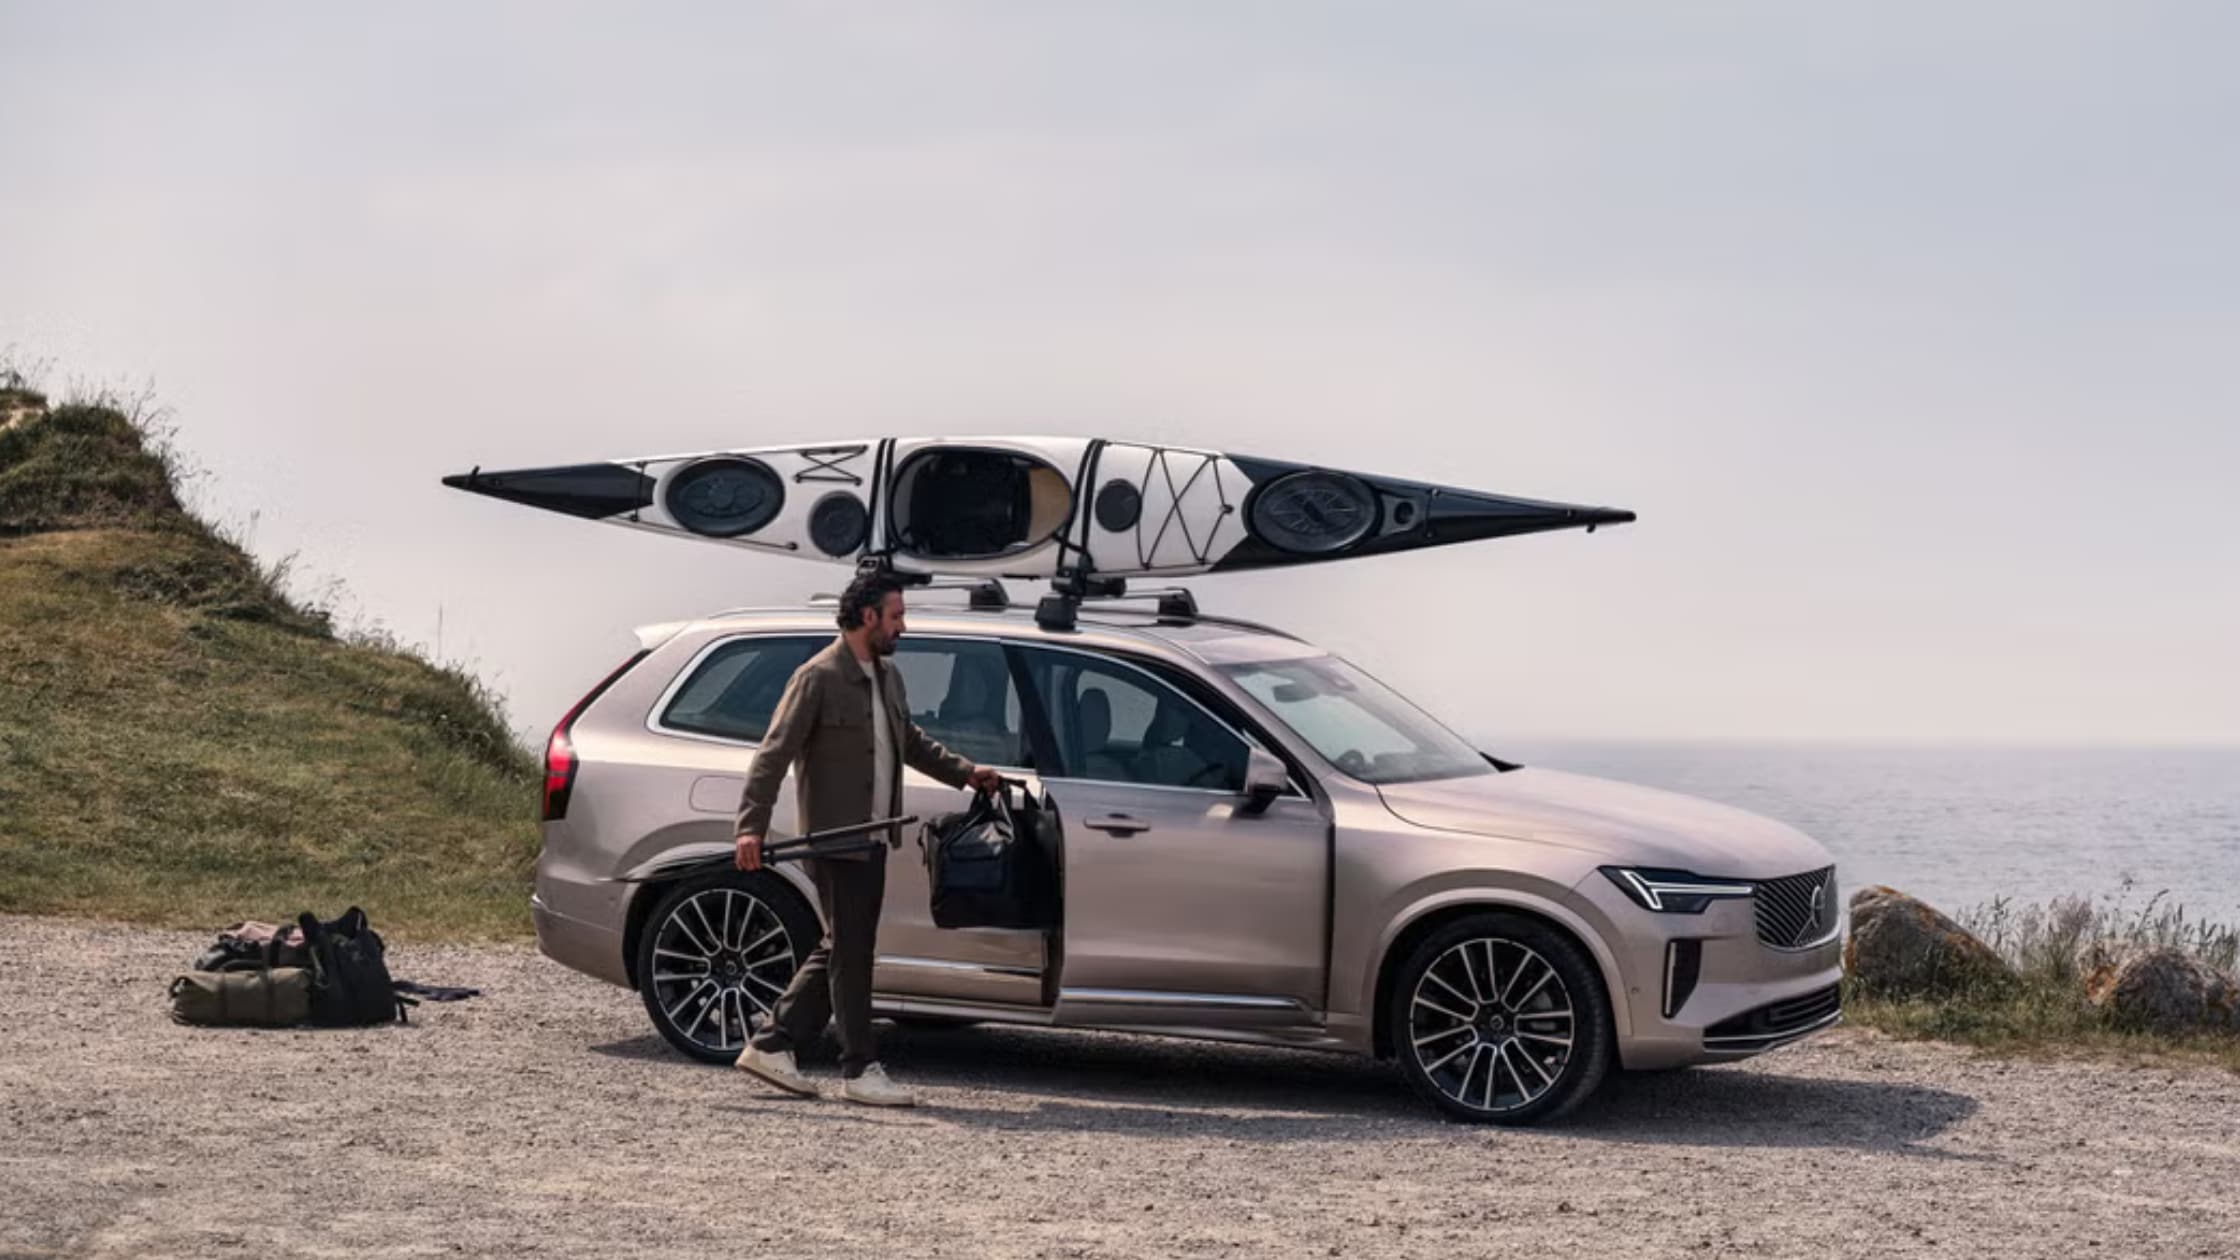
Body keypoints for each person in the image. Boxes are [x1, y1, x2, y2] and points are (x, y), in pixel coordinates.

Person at [730, 571, 1001, 1106]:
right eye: (896, 615)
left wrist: (966, 773)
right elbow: (772, 754)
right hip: (836, 837)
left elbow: (909, 741)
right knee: (851, 951)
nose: (904, 625)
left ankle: (772, 1043)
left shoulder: (887, 676)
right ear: (868, 616)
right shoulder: (818, 677)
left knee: (843, 946)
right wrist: (749, 827)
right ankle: (858, 1069)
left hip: (874, 837)